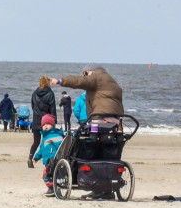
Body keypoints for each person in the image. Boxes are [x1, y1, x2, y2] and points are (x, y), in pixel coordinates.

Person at [51, 64, 126, 200]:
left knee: (87, 140)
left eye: (85, 73)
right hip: (115, 121)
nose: (85, 76)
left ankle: (88, 177)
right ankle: (104, 190)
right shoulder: (112, 81)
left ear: (89, 72)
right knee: (107, 146)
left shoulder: (97, 77)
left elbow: (79, 82)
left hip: (99, 119)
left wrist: (61, 81)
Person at [28, 76, 57, 168]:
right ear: (47, 83)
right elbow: (52, 108)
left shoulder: (34, 93)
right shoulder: (50, 93)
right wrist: (53, 120)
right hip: (47, 121)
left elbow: (33, 106)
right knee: (48, 141)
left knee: (36, 142)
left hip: (36, 120)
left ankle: (30, 158)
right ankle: (48, 161)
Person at [33, 114, 65, 197]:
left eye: (48, 124)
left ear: (53, 125)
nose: (45, 126)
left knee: (46, 175)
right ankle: (54, 188)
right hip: (48, 161)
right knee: (49, 175)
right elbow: (41, 149)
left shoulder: (56, 135)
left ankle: (52, 188)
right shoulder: (45, 137)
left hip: (53, 160)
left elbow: (61, 146)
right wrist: (36, 157)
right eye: (43, 125)